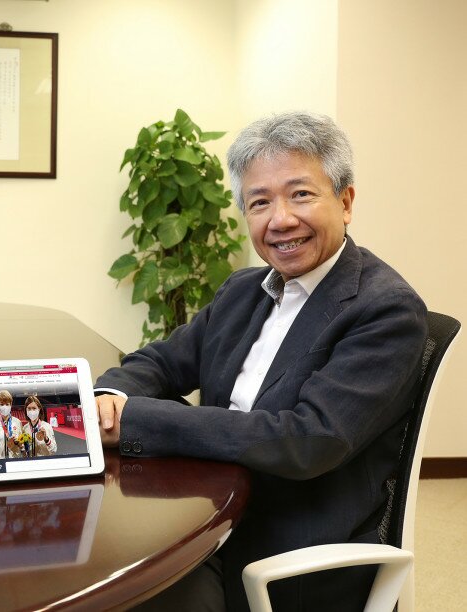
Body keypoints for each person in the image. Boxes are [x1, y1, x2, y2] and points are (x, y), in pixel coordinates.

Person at [95, 111, 427, 611]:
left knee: (126, 594)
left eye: (301, 194)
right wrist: (110, 396)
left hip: (282, 545)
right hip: (210, 508)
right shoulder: (243, 289)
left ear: (346, 200)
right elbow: (163, 362)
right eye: (259, 202)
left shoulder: (385, 309)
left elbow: (307, 439)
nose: (280, 220)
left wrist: (138, 420)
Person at [0, 390, 23, 459]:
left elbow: (22, 445)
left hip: (14, 460)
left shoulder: (18, 422)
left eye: (7, 404)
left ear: (11, 405)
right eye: (2, 404)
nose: (4, 407)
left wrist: (18, 442)